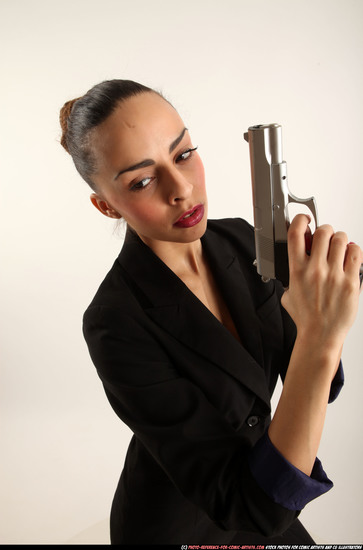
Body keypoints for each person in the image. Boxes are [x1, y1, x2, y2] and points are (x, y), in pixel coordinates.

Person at [59, 79, 362, 545]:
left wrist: (325, 293)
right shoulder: (113, 322)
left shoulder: (243, 241)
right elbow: (253, 506)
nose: (181, 188)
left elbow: (321, 385)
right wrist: (320, 334)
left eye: (182, 154)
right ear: (105, 206)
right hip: (189, 520)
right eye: (142, 180)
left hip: (271, 477)